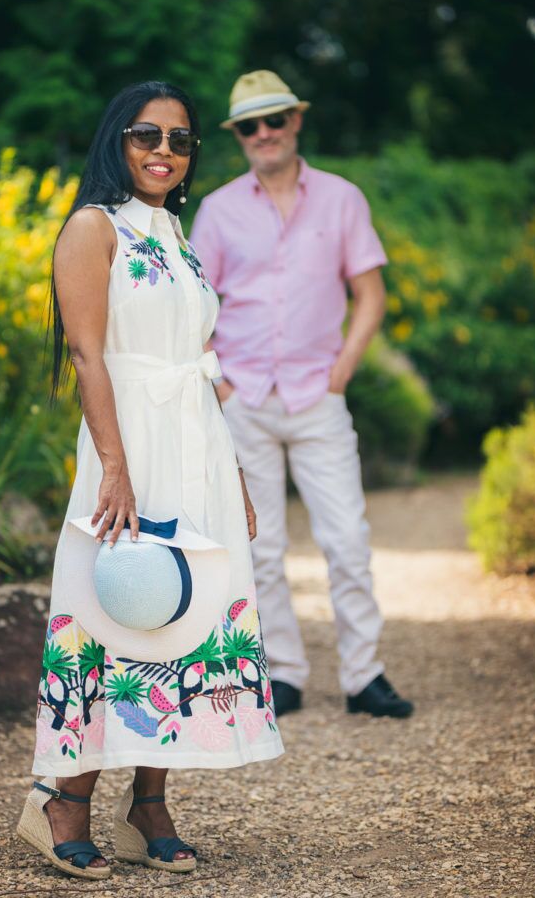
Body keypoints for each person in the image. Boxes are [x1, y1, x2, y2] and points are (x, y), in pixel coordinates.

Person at [17, 81, 283, 881]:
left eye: (179, 140)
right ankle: (62, 799)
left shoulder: (177, 234)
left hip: (194, 438)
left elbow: (199, 366)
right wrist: (115, 467)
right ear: (117, 141)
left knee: (188, 611)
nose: (163, 150)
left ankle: (149, 802)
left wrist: (231, 473)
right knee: (110, 609)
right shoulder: (92, 228)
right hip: (125, 440)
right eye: (146, 135)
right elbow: (88, 354)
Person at [190, 70, 413, 721]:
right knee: (260, 546)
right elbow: (195, 308)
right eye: (249, 126)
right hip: (245, 397)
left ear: (296, 121)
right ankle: (282, 672)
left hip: (319, 395)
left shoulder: (342, 199)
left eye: (274, 120)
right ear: (238, 136)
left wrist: (341, 370)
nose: (263, 133)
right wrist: (221, 384)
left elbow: (370, 294)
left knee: (346, 536)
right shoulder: (218, 210)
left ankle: (364, 675)